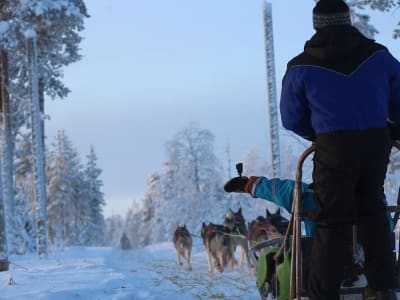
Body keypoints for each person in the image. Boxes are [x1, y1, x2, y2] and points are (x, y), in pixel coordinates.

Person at [279, 0, 400, 299]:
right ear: (347, 21)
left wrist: (317, 134)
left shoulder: (300, 67)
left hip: (332, 147)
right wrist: (391, 127)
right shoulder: (379, 57)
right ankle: (384, 288)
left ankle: (324, 294)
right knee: (373, 210)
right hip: (375, 143)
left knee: (332, 220)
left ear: (316, 25)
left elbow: (291, 117)